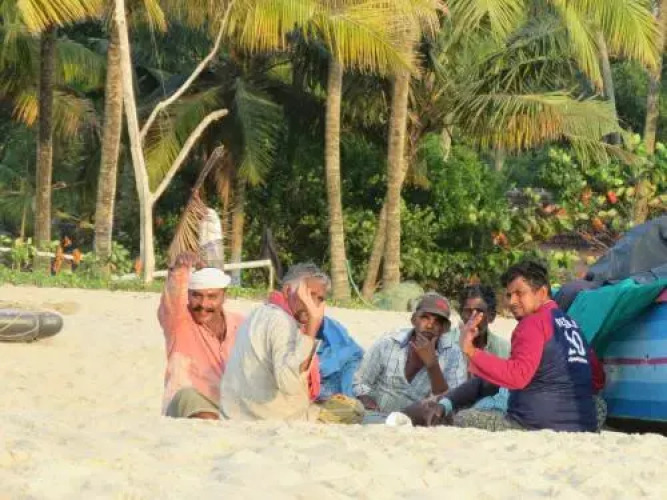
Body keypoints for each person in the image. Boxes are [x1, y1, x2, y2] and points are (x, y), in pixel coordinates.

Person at [406, 261, 600, 432]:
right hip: (585, 424)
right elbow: (598, 379)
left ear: (541, 293)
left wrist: (471, 351)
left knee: (464, 418)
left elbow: (517, 376)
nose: (512, 302)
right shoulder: (572, 324)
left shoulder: (532, 323)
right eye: (509, 295)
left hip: (535, 424)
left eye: (519, 293)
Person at [219, 263, 328, 421]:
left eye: (319, 299)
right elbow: (289, 384)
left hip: (237, 413)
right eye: (309, 295)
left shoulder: (260, 312)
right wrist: (312, 328)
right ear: (287, 291)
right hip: (269, 417)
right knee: (352, 410)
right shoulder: (281, 321)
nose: (313, 305)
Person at [158, 252, 243, 420]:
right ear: (188, 295)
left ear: (224, 296)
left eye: (212, 297)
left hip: (229, 406)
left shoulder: (241, 324)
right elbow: (171, 301)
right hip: (187, 401)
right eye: (196, 296)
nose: (203, 304)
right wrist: (179, 270)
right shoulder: (179, 321)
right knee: (200, 410)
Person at [353, 293, 467, 414]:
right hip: (376, 414)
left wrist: (432, 365)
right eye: (425, 318)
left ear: (444, 329)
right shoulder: (390, 342)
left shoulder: (453, 354)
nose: (430, 325)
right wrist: (366, 400)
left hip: (417, 421)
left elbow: (452, 402)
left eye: (437, 322)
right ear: (414, 320)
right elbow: (359, 382)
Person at [450, 284, 510, 413]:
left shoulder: (504, 349)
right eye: (468, 311)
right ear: (461, 314)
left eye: (479, 311)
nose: (472, 318)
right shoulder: (447, 343)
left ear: (491, 316)